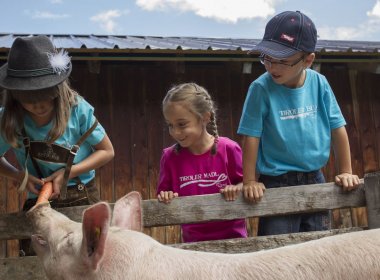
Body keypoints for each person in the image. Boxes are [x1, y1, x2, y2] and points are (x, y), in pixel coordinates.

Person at [237, 11, 360, 236]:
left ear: (308, 60)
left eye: (282, 61)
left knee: (317, 245)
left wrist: (346, 171)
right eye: (267, 58)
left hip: (315, 177)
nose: (272, 67)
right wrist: (249, 181)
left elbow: (337, 128)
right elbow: (251, 136)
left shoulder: (320, 84)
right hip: (276, 182)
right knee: (278, 248)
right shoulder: (260, 88)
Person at [0, 35, 114, 254]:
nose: (38, 104)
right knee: (36, 266)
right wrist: (20, 176)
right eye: (29, 98)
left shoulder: (77, 109)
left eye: (45, 94)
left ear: (58, 87)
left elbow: (107, 151)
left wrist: (68, 173)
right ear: (15, 95)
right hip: (39, 202)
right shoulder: (9, 119)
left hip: (82, 194)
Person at [157, 82, 247, 242]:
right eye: (170, 125)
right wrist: (166, 196)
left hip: (234, 242)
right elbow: (163, 194)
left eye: (182, 124)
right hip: (193, 246)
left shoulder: (229, 149)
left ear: (205, 117)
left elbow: (247, 183)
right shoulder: (169, 157)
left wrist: (236, 188)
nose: (175, 132)